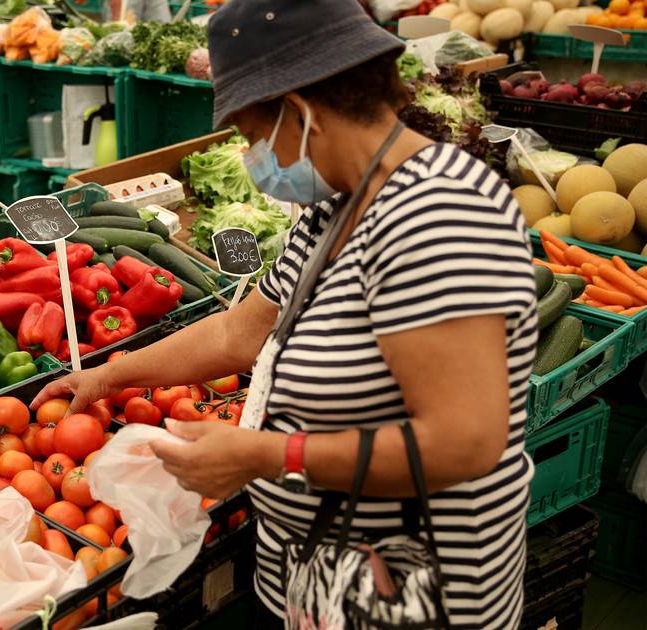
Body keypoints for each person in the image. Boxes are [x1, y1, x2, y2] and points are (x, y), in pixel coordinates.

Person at [32, 1, 535, 628]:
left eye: (248, 135)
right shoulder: (340, 204)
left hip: (414, 597)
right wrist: (110, 374)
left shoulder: (438, 216)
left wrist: (271, 455)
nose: (251, 155)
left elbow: (463, 442)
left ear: (297, 111)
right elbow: (239, 331)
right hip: (320, 582)